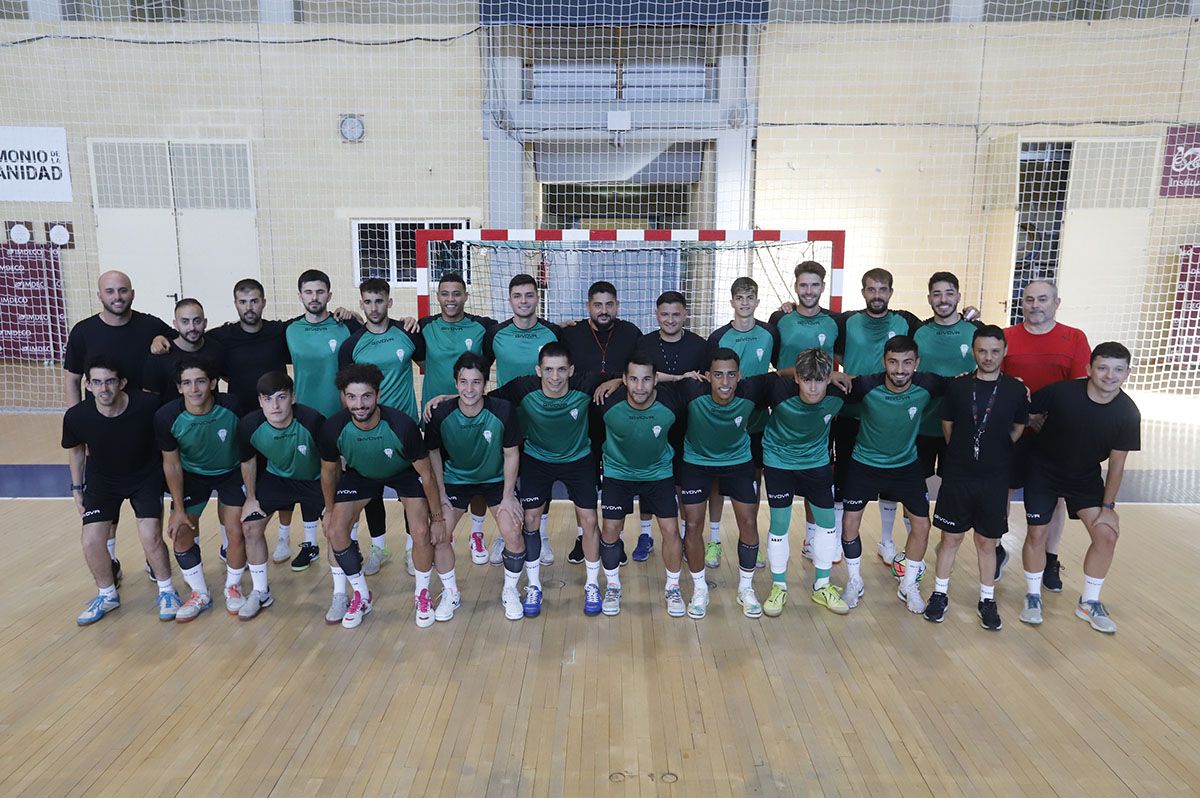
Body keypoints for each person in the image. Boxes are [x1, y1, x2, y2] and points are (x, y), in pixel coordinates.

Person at [1018, 342, 1140, 634]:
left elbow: (1117, 464)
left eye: (1118, 370)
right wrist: (1032, 418)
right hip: (1043, 472)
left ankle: (1089, 602)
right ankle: (1033, 596)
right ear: (1089, 369)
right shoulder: (1062, 393)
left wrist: (1108, 508)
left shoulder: (1127, 412)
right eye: (1102, 368)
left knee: (1107, 535)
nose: (1109, 375)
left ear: (1127, 373)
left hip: (1083, 478)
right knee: (1037, 532)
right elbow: (1023, 408)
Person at [63, 270, 173, 583]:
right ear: (99, 295)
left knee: (148, 498)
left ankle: (155, 561)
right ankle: (109, 560)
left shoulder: (150, 325)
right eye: (110, 291)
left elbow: (176, 341)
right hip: (103, 429)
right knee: (106, 499)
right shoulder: (83, 331)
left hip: (142, 427)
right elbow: (72, 378)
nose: (117, 297)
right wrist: (79, 420)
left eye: (122, 291)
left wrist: (162, 340)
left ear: (132, 293)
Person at [319, 364, 448, 629]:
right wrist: (329, 509)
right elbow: (329, 472)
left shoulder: (401, 425)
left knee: (421, 531)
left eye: (366, 396)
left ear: (377, 394)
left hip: (402, 473)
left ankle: (422, 594)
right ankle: (361, 595)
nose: (359, 404)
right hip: (361, 475)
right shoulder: (333, 428)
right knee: (335, 531)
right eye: (352, 397)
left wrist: (437, 518)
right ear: (344, 397)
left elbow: (427, 475)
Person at [925, 326, 1028, 630]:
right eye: (982, 351)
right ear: (973, 350)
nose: (988, 357)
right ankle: (939, 594)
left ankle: (987, 599)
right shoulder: (958, 388)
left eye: (995, 351)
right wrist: (963, 451)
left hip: (995, 477)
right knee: (950, 538)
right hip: (958, 474)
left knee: (987, 541)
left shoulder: (1014, 389)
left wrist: (996, 448)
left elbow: (1019, 426)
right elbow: (947, 424)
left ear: (1004, 351)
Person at [486, 342, 601, 616]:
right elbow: (484, 398)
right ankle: (534, 585)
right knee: (530, 520)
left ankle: (593, 585)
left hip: (579, 459)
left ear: (571, 370)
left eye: (562, 369)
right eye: (548, 370)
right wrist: (447, 399)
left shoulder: (586, 384)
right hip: (538, 460)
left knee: (590, 521)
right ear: (538, 370)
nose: (555, 377)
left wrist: (613, 383)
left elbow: (628, 378)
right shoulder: (523, 387)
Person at [63, 356, 179, 625]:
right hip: (103, 482)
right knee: (91, 540)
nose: (104, 389)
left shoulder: (148, 406)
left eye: (110, 381)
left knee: (150, 536)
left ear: (122, 383)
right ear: (88, 386)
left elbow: (167, 444)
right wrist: (76, 488)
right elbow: (77, 451)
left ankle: (166, 591)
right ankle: (107, 594)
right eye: (97, 383)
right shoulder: (77, 416)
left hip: (144, 477)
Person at [837, 336, 944, 614]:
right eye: (893, 362)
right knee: (849, 522)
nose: (900, 369)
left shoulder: (928, 384)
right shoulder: (865, 385)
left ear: (916, 364)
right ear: (884, 362)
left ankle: (908, 585)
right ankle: (855, 580)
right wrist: (832, 376)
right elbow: (829, 387)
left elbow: (966, 384)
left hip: (906, 466)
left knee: (922, 526)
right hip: (864, 463)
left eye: (907, 363)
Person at [1002, 279, 1092, 590]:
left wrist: (1048, 421)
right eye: (1029, 300)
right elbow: (996, 383)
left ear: (1056, 302)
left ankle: (1050, 560)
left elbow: (1081, 389)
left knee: (1055, 502)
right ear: (1022, 303)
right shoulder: (1006, 337)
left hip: (1055, 436)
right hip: (1014, 431)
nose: (1035, 305)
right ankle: (998, 546)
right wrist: (1026, 417)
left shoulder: (1074, 338)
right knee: (1004, 490)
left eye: (1042, 299)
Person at [424, 353, 526, 620]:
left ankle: (511, 591)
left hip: (494, 481)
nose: (470, 389)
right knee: (439, 534)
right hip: (456, 480)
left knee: (514, 533)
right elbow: (433, 452)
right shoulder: (441, 414)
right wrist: (442, 494)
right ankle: (450, 593)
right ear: (456, 384)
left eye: (476, 382)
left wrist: (508, 497)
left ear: (485, 383)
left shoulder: (503, 411)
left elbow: (511, 454)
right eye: (464, 382)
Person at [832, 268, 923, 566]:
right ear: (863, 293)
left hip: (890, 414)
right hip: (852, 413)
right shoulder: (847, 322)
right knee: (844, 475)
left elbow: (937, 327)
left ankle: (886, 540)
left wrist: (970, 316)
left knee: (891, 483)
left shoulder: (905, 321)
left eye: (882, 290)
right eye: (871, 290)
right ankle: (835, 540)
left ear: (890, 293)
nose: (877, 295)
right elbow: (833, 349)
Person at [339, 278, 427, 576]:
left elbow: (427, 363)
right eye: (368, 301)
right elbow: (346, 391)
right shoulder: (352, 344)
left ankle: (409, 548)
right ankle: (379, 547)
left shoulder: (408, 333)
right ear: (361, 303)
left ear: (389, 302)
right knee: (372, 488)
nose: (374, 307)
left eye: (379, 301)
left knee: (410, 492)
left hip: (405, 427)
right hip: (366, 429)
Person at [752, 349, 849, 617]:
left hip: (816, 463)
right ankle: (779, 586)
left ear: (829, 378)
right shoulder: (777, 388)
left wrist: (842, 375)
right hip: (778, 461)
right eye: (807, 380)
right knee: (779, 524)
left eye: (820, 380)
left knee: (828, 525)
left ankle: (822, 585)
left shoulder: (839, 392)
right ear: (796, 378)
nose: (814, 387)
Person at [676, 348, 767, 619]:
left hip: (738, 461)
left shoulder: (751, 390)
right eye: (717, 375)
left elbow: (792, 376)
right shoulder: (692, 391)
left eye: (730, 375)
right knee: (692, 524)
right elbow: (650, 379)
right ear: (707, 377)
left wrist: (832, 374)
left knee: (749, 521)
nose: (724, 382)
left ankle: (746, 588)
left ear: (740, 376)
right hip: (696, 461)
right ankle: (700, 588)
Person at [154, 356, 247, 622]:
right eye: (187, 383)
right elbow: (171, 464)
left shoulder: (233, 407)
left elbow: (247, 451)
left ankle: (233, 586)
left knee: (236, 529)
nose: (194, 389)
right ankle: (199, 593)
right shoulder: (166, 417)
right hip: (193, 476)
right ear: (179, 388)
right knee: (181, 531)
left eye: (200, 382)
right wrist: (178, 509)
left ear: (214, 383)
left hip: (231, 473)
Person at [417, 272, 499, 569]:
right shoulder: (423, 327)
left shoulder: (482, 328)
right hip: (435, 417)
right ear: (437, 297)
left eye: (456, 293)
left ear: (465, 296)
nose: (450, 299)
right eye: (444, 294)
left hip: (471, 412)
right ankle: (430, 534)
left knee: (474, 476)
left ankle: (476, 534)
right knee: (430, 480)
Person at [596, 357, 689, 616]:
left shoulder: (671, 403)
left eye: (646, 379)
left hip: (658, 472)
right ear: (624, 380)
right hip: (618, 472)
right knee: (611, 529)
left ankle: (672, 588)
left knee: (671, 529)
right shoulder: (607, 403)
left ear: (656, 379)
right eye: (633, 379)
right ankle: (613, 586)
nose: (640, 387)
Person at [559, 280, 643, 567]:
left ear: (617, 306)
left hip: (621, 423)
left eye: (609, 304)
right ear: (588, 307)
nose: (604, 310)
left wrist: (617, 379)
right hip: (582, 422)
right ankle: (585, 536)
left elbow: (642, 370)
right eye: (598, 305)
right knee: (585, 482)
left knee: (615, 482)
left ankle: (613, 539)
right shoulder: (571, 334)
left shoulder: (631, 332)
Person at [480, 273, 561, 567]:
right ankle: (505, 533)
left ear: (537, 298)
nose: (524, 301)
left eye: (529, 295)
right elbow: (479, 370)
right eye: (518, 296)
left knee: (540, 477)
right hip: (506, 415)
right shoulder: (496, 334)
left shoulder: (552, 332)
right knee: (508, 478)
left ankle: (542, 535)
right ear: (510, 299)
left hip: (542, 417)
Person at [279, 269, 359, 568]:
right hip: (304, 419)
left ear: (330, 294)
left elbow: (369, 335)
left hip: (342, 417)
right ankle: (310, 542)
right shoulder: (288, 330)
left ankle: (350, 539)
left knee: (347, 478)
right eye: (308, 292)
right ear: (300, 295)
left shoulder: (345, 325)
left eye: (320, 292)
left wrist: (355, 317)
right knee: (310, 479)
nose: (315, 298)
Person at [236, 371, 328, 619]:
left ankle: (343, 594)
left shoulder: (312, 421)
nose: (275, 406)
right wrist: (251, 498)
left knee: (335, 528)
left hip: (314, 481)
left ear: (293, 398)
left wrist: (330, 503)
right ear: (260, 402)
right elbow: (248, 462)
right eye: (268, 399)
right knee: (250, 527)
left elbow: (331, 464)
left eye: (281, 397)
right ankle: (260, 591)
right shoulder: (249, 425)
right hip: (277, 480)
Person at [703, 277, 779, 569]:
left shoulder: (770, 333)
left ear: (757, 302)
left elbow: (776, 365)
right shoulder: (719, 336)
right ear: (732, 302)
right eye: (739, 298)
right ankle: (714, 541)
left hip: (757, 421)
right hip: (723, 422)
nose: (744, 303)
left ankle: (751, 540)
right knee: (715, 482)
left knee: (752, 482)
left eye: (750, 297)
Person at [768, 261, 840, 562]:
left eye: (814, 285)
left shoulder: (837, 321)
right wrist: (797, 378)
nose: (808, 290)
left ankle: (813, 538)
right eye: (803, 285)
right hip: (788, 405)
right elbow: (773, 361)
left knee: (819, 467)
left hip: (821, 407)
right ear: (795, 287)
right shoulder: (779, 317)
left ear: (823, 287)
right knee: (786, 465)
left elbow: (845, 354)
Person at [912, 272, 982, 481]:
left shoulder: (977, 330)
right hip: (922, 424)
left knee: (955, 485)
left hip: (962, 427)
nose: (943, 300)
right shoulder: (918, 331)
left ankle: (950, 516)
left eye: (949, 294)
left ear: (959, 297)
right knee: (914, 484)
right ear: (929, 299)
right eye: (937, 294)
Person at [143, 298, 225, 406]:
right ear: (175, 324)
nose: (192, 327)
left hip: (210, 419)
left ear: (205, 323)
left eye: (197, 321)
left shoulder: (216, 349)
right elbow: (149, 397)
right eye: (185, 322)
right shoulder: (160, 355)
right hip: (171, 420)